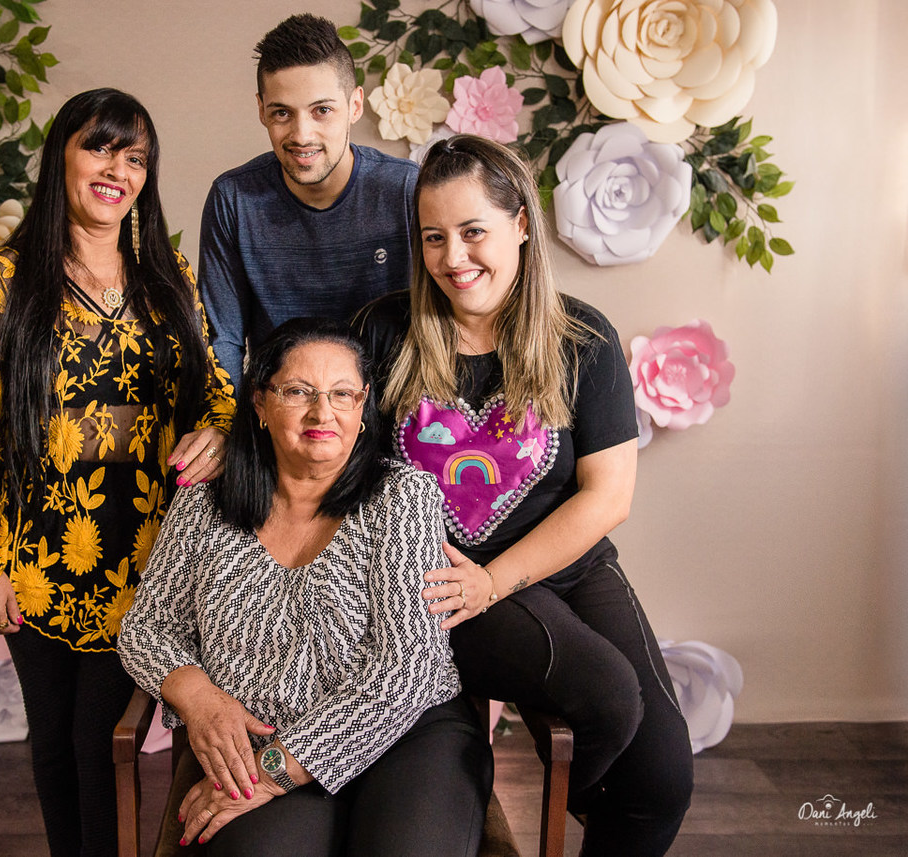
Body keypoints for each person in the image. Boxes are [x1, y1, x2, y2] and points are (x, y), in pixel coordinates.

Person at [354, 135, 694, 856]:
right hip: (443, 583)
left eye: (472, 231)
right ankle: (581, 795)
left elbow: (607, 497)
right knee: (608, 694)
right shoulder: (384, 332)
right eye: (434, 237)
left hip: (566, 564)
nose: (453, 257)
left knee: (663, 777)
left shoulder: (582, 338)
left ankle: (598, 807)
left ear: (519, 225)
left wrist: (500, 578)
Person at [0, 88, 234, 857]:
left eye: (135, 157)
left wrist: (220, 430)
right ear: (61, 158)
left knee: (101, 740)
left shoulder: (166, 273)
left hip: (143, 554)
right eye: (99, 148)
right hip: (34, 558)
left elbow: (215, 391)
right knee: (53, 741)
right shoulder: (5, 279)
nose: (118, 170)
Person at [118, 318, 492, 857]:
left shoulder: (401, 496)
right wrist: (197, 697)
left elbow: (407, 671)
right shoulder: (204, 502)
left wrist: (277, 771)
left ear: (363, 407)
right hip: (266, 736)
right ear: (260, 402)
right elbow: (146, 629)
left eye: (343, 394)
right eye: (298, 392)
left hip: (407, 737)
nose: (323, 413)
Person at [199, 13, 418, 385]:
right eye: (282, 113)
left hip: (393, 405)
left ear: (355, 105)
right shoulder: (234, 199)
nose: (302, 134)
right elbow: (223, 341)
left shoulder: (405, 189)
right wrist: (226, 417)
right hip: (279, 407)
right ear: (261, 110)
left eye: (322, 111)